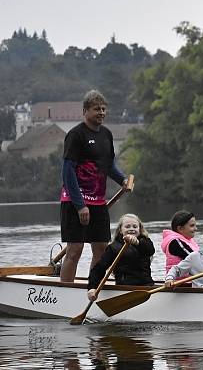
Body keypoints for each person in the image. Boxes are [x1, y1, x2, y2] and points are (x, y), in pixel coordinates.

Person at [59, 90, 130, 282]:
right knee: (75, 250)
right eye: (96, 109)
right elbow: (67, 171)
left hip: (98, 202)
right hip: (76, 202)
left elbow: (108, 165)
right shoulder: (76, 135)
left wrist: (122, 179)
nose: (101, 112)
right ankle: (65, 292)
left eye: (104, 109)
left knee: (101, 249)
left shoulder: (106, 134)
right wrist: (80, 204)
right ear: (85, 111)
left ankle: (93, 287)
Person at [86, 213, 155, 300]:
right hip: (125, 287)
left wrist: (137, 243)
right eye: (127, 226)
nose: (131, 229)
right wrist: (92, 287)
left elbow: (150, 250)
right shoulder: (113, 247)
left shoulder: (146, 242)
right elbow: (99, 269)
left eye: (135, 226)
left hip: (147, 285)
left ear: (140, 229)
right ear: (120, 230)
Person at [161, 210, 200, 277]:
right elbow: (195, 260)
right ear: (180, 228)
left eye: (195, 225)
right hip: (181, 283)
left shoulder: (188, 240)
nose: (196, 228)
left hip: (192, 281)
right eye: (192, 226)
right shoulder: (175, 242)